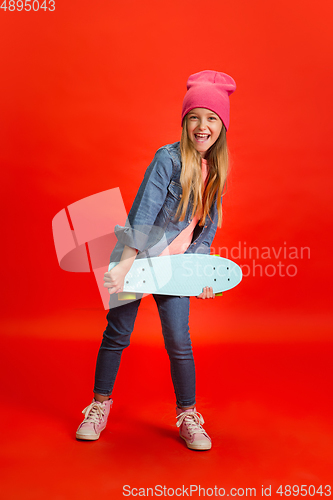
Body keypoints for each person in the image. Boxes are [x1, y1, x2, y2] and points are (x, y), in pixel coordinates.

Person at [76, 70, 236, 451]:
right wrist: (125, 263)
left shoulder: (218, 171)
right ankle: (98, 408)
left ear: (222, 126)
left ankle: (188, 415)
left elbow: (205, 231)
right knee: (117, 334)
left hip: (174, 268)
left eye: (212, 118)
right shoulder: (167, 159)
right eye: (195, 116)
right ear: (184, 122)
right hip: (137, 256)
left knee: (179, 340)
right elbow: (144, 213)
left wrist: (200, 274)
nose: (202, 125)